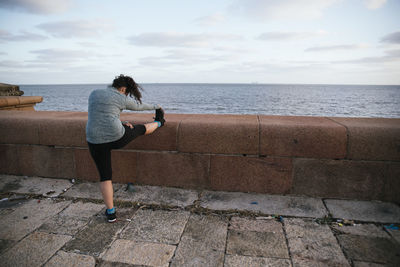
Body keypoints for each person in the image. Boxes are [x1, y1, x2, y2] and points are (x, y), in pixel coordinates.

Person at [85, 74, 165, 223]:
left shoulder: (94, 93)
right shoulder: (121, 97)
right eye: (127, 92)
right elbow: (140, 107)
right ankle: (160, 123)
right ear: (123, 89)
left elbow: (104, 114)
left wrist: (122, 122)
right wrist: (157, 107)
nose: (126, 95)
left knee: (105, 176)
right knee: (140, 129)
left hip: (94, 139)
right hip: (116, 137)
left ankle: (111, 213)